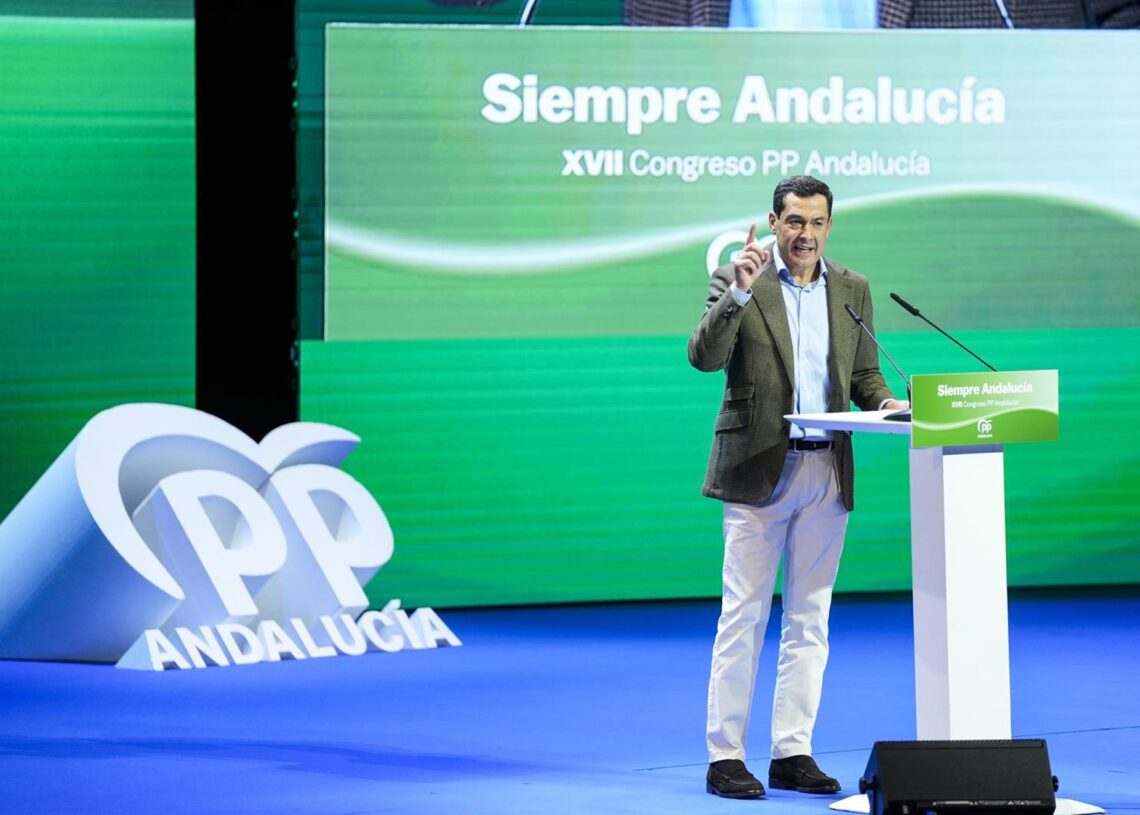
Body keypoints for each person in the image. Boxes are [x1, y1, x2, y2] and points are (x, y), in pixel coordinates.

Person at [688, 175, 908, 799]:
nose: (804, 234)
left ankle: (792, 751)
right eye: (793, 222)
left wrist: (890, 403)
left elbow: (864, 373)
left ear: (829, 226)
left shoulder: (852, 288)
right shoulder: (742, 280)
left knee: (810, 618)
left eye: (816, 223)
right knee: (744, 618)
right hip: (759, 468)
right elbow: (702, 357)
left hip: (827, 471)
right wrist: (737, 292)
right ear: (774, 222)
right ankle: (725, 756)